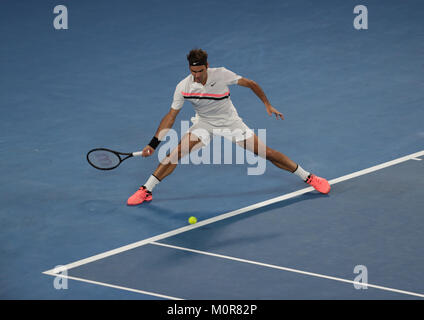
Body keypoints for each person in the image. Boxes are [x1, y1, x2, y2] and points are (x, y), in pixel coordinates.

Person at [127, 48, 330, 205]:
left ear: (207, 66)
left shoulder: (221, 74)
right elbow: (171, 116)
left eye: (200, 71)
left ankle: (308, 177)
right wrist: (153, 144)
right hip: (204, 123)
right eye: (193, 72)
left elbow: (250, 83)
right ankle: (146, 189)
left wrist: (267, 104)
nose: (196, 76)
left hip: (230, 123)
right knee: (174, 153)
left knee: (267, 153)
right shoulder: (184, 87)